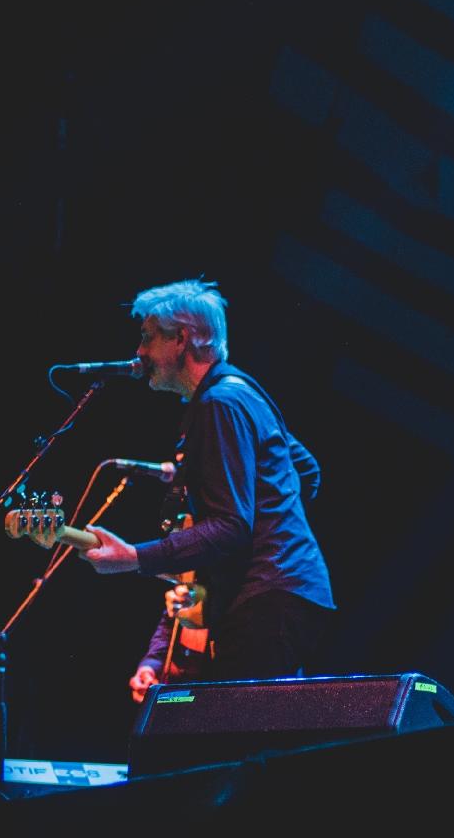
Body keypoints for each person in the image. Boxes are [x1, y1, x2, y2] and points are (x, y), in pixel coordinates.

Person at [79, 278, 336, 699]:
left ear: (181, 339)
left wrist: (134, 557)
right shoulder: (241, 392)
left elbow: (232, 525)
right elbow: (305, 473)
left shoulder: (220, 403)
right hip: (282, 591)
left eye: (147, 337)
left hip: (267, 596)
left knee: (226, 742)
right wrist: (270, 532)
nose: (139, 352)